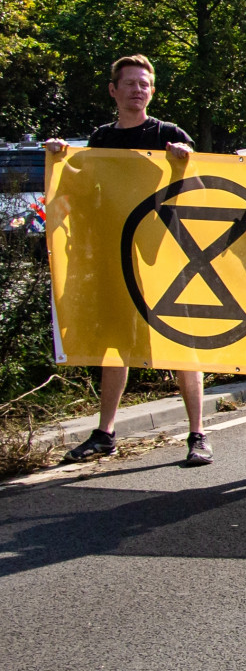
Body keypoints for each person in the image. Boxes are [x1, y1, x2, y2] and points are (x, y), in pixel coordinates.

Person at [45, 55, 208, 467]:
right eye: (131, 83)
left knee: (180, 345)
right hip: (116, 258)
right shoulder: (100, 140)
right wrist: (60, 156)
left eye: (145, 83)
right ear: (113, 90)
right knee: (113, 346)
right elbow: (78, 194)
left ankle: (198, 434)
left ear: (152, 91)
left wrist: (184, 162)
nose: (139, 89)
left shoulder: (169, 135)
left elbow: (203, 192)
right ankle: (105, 433)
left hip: (166, 259)